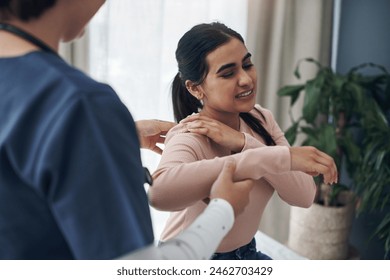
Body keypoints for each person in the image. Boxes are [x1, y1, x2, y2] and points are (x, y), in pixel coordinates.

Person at [0, 1, 255, 260]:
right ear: (194, 88)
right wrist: (223, 209)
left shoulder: (63, 106)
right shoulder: (80, 104)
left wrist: (105, 139)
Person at [148, 22, 338, 260]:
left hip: (246, 253)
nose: (246, 79)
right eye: (228, 73)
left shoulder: (260, 119)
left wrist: (243, 142)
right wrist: (264, 158)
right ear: (196, 89)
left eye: (247, 64)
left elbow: (303, 196)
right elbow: (158, 193)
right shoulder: (191, 133)